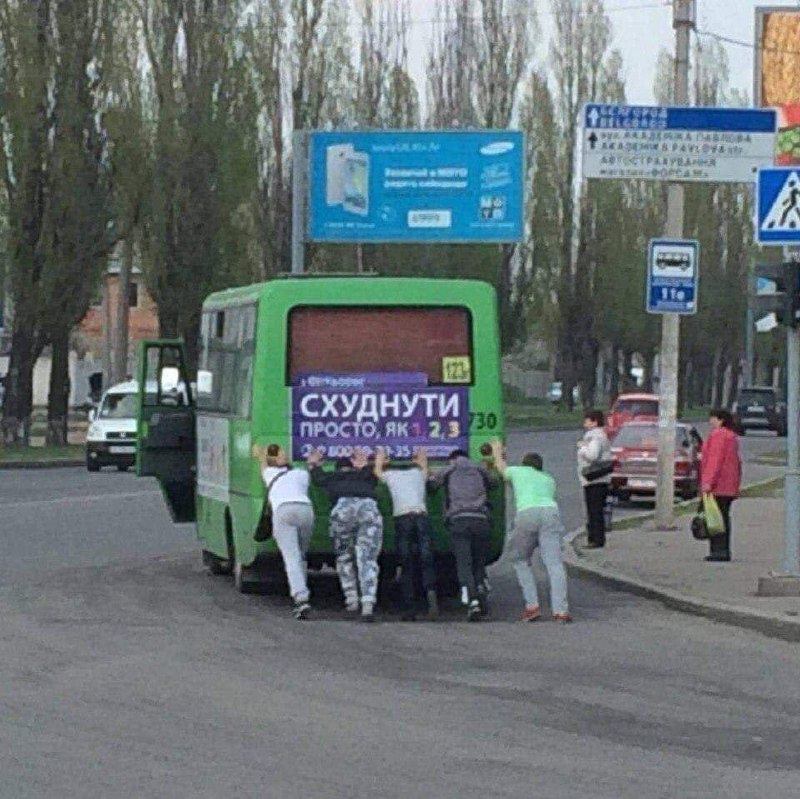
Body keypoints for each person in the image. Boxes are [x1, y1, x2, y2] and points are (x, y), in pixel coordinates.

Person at [491, 441, 571, 623]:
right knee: (554, 564)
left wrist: (497, 451)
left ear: (524, 464)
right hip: (551, 512)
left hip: (527, 513)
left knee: (520, 559)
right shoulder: (548, 479)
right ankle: (560, 610)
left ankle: (532, 606)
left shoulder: (518, 471)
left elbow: (501, 469)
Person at [308, 447, 383, 621]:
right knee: (367, 558)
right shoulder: (366, 476)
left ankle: (351, 600)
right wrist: (365, 465)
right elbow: (374, 473)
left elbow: (317, 477)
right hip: (368, 509)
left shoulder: (332, 477)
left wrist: (314, 464)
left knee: (344, 556)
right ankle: (368, 604)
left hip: (342, 512)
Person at [428, 449, 498, 621]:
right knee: (478, 561)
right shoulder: (479, 468)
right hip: (481, 520)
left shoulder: (449, 469)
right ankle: (481, 586)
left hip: (459, 520)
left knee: (464, 562)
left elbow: (432, 486)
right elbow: (494, 482)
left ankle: (471, 600)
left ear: (452, 459)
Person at [374, 447, 438, 621]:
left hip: (402, 518)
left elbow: (377, 471)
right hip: (421, 516)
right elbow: (425, 467)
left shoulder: (391, 476)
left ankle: (409, 608)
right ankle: (430, 590)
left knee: (406, 561)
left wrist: (380, 457)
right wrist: (421, 457)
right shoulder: (418, 475)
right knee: (426, 557)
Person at [253, 443, 315, 620]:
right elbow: (310, 466)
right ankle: (302, 590)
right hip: (306, 510)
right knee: (301, 555)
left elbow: (263, 462)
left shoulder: (269, 474)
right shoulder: (301, 474)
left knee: (291, 557)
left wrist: (261, 455)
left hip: (284, 511)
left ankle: (301, 598)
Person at [701, 409, 742, 562]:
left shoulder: (718, 436)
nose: (710, 421)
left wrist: (707, 483)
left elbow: (714, 461)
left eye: (712, 418)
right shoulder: (731, 437)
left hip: (718, 485)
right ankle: (723, 549)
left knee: (716, 519)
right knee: (724, 516)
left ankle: (718, 550)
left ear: (720, 420)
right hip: (729, 484)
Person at [577, 410, 613, 549]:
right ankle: (597, 538)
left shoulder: (594, 437)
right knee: (596, 510)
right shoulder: (601, 435)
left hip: (594, 479)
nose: (585, 422)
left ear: (594, 422)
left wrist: (582, 448)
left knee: (594, 510)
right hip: (601, 478)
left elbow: (592, 455)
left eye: (587, 420)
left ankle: (595, 539)